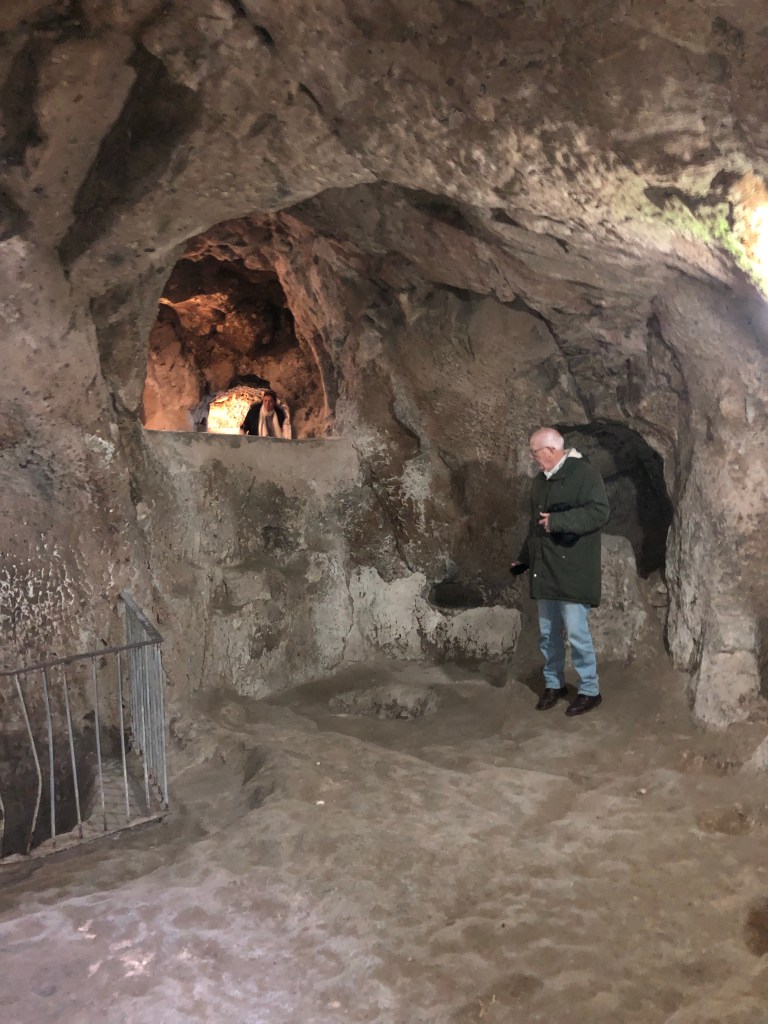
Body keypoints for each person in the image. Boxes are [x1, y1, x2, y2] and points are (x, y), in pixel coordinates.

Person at [511, 427, 610, 717]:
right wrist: (524, 558)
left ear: (552, 450)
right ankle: (554, 684)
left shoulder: (584, 474)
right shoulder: (540, 483)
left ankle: (590, 690)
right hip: (546, 569)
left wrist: (558, 521)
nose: (533, 458)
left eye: (535, 452)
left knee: (577, 633)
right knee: (547, 633)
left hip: (573, 569)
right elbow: (535, 527)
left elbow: (599, 512)